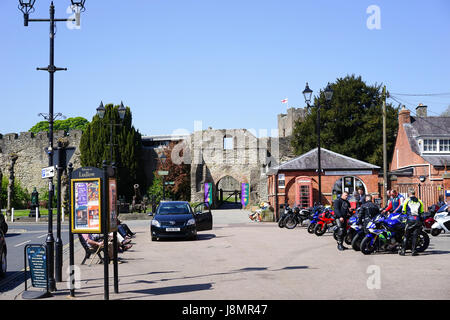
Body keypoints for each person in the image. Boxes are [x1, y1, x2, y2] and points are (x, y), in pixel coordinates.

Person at [399, 190, 424, 256]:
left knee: (406, 235)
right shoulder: (420, 201)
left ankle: (403, 251)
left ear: (409, 194)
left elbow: (403, 211)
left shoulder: (407, 200)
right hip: (417, 220)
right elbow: (421, 211)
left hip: (410, 219)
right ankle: (413, 251)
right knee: (415, 236)